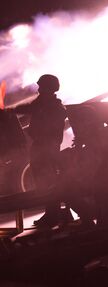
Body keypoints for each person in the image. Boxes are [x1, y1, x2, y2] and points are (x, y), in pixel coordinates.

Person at [3, 74, 68, 227]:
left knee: (46, 181)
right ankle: (53, 213)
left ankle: (53, 215)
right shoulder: (45, 103)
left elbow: (32, 110)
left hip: (46, 146)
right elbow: (30, 108)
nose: (39, 89)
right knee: (44, 181)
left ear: (48, 88)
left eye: (42, 86)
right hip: (42, 145)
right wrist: (11, 111)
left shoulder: (51, 106)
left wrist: (10, 111)